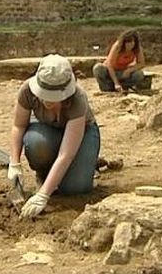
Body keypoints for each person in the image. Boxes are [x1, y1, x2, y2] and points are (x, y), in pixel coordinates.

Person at [8, 54, 101, 219]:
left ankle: (86, 164)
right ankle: (44, 174)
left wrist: (43, 195)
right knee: (36, 144)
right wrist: (14, 163)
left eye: (52, 97)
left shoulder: (77, 99)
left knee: (74, 188)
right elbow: (19, 125)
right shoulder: (27, 91)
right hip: (47, 130)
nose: (46, 100)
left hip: (82, 134)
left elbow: (66, 155)